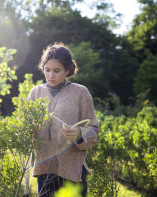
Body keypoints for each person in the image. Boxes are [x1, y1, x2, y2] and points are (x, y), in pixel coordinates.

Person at [27, 42, 100, 197]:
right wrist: (29, 130)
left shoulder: (81, 93)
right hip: (45, 169)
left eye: (57, 71)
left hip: (73, 171)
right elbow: (25, 128)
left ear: (67, 70)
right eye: (47, 70)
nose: (51, 75)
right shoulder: (36, 93)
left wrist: (79, 134)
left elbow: (94, 130)